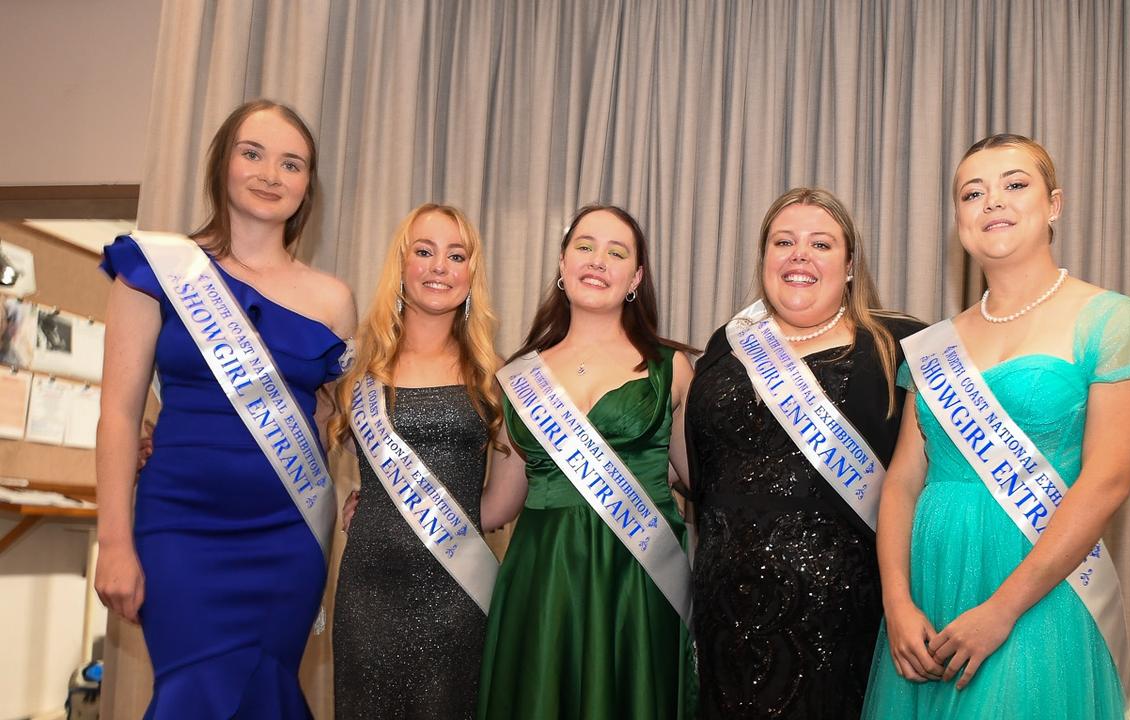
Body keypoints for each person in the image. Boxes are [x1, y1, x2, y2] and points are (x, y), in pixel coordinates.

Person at [862, 134, 1130, 719]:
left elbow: (1108, 481)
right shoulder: (933, 346)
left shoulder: (1110, 319)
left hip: (1037, 594)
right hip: (932, 588)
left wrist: (1003, 609)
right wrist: (896, 599)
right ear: (958, 217)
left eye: (1014, 185)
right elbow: (903, 481)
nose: (992, 203)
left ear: (1053, 204)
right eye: (972, 193)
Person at [94, 99, 357, 718]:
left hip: (287, 538)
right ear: (222, 164)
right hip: (180, 528)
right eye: (253, 153)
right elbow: (117, 414)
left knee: (266, 690)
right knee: (194, 693)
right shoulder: (154, 269)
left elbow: (331, 422)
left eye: (292, 164)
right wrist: (113, 541)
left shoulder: (333, 299)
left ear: (306, 186)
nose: (271, 174)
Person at [685, 187, 924, 718]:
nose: (799, 255)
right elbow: (700, 480)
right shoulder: (726, 348)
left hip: (844, 623)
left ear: (850, 265)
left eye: (821, 243)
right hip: (727, 621)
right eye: (783, 241)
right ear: (764, 258)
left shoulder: (899, 346)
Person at [478, 205, 698, 719]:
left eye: (616, 253)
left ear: (635, 279)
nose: (598, 261)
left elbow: (701, 482)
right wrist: (385, 504)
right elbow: (498, 504)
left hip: (636, 582)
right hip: (542, 582)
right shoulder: (516, 378)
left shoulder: (674, 370)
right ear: (561, 262)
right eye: (585, 246)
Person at [329, 203, 501, 719]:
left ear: (471, 275)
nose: (439, 267)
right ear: (401, 265)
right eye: (423, 251)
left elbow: (506, 497)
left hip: (456, 592)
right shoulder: (357, 369)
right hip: (369, 590)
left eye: (456, 255)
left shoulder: (493, 377)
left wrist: (445, 521)